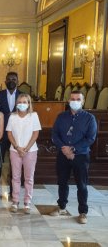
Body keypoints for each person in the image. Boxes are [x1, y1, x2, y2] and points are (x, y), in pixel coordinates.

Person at [50, 91, 97, 224]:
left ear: (82, 102)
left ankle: (82, 212)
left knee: (81, 184)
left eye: (78, 99)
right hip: (63, 154)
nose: (74, 101)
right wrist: (64, 148)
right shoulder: (61, 116)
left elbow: (90, 138)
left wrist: (73, 148)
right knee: (62, 182)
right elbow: (55, 134)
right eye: (72, 99)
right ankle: (62, 207)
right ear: (68, 100)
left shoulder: (89, 118)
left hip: (80, 155)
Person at [6, 93, 41, 214]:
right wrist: (17, 147)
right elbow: (9, 133)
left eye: (24, 102)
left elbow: (35, 133)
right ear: (16, 104)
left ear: (29, 104)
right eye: (19, 102)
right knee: (15, 177)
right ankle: (15, 201)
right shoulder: (12, 116)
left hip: (30, 151)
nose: (22, 104)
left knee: (28, 178)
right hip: (15, 150)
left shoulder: (34, 116)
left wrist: (25, 149)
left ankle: (27, 202)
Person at [0, 71, 21, 200]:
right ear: (5, 81)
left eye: (14, 79)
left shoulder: (23, 96)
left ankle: (13, 191)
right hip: (2, 134)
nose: (11, 81)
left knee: (15, 163)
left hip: (17, 135)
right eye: (9, 79)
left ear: (17, 81)